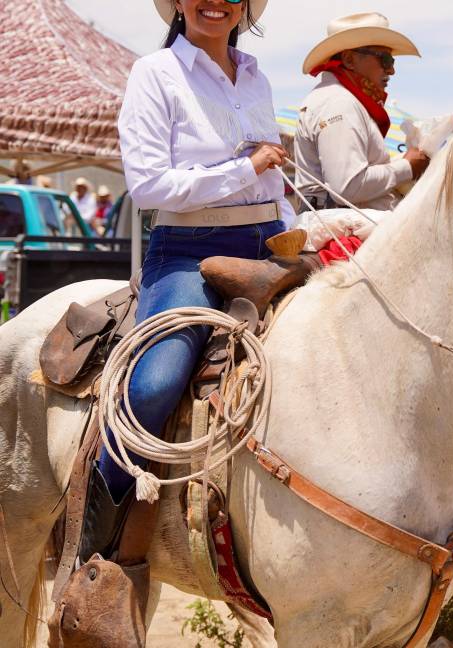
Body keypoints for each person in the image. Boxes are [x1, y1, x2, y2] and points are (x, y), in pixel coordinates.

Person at [80, 0, 292, 562]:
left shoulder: (256, 76)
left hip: (270, 242)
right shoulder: (155, 73)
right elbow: (148, 186)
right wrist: (245, 169)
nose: (214, 1)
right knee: (152, 387)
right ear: (176, 2)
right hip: (189, 250)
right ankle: (96, 557)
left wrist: (296, 231)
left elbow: (275, 182)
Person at [294, 12, 429, 213]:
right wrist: (407, 167)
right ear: (349, 60)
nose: (391, 71)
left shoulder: (338, 99)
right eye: (385, 60)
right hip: (346, 237)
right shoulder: (340, 103)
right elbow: (348, 187)